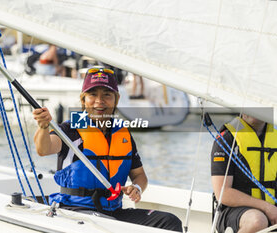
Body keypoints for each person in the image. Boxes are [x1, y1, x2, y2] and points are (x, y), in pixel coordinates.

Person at [33, 67, 182, 231]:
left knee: (170, 222)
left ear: (116, 100)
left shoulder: (123, 133)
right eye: (92, 95)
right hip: (75, 212)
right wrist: (43, 127)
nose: (99, 100)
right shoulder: (70, 129)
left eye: (106, 95)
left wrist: (137, 188)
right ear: (83, 100)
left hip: (114, 212)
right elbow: (44, 149)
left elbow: (139, 176)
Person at [211, 114, 277, 233]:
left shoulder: (275, 136)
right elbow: (222, 193)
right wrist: (267, 207)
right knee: (257, 221)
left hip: (273, 207)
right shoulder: (227, 138)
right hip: (233, 211)